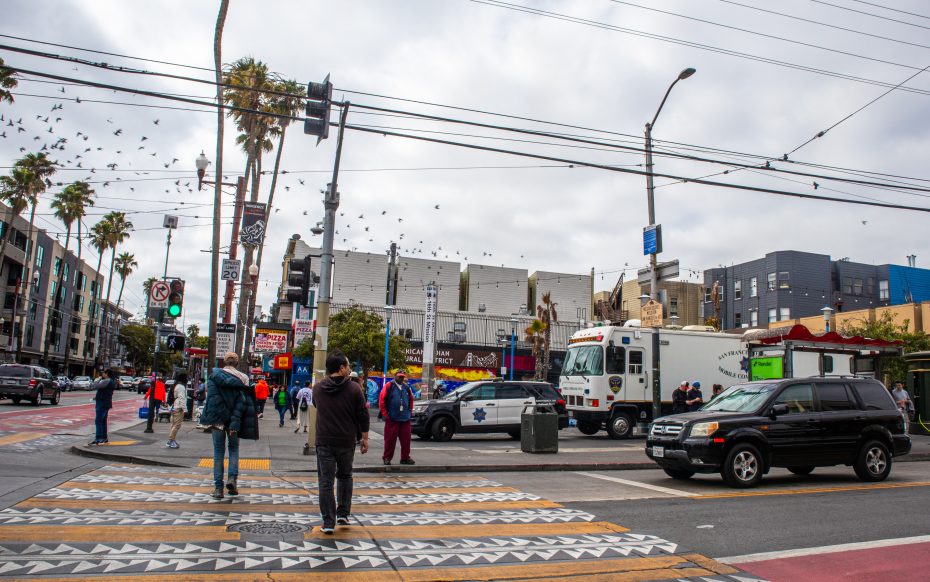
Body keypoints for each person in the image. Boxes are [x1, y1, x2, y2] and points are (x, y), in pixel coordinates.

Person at [313, 350, 370, 534]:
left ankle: (328, 522)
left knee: (326, 482)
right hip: (346, 441)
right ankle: (343, 513)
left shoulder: (318, 388)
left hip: (324, 441)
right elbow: (363, 414)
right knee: (345, 476)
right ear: (341, 368)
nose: (349, 369)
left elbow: (316, 405)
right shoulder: (354, 389)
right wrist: (365, 437)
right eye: (347, 366)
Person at [200, 352, 256, 499]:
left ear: (224, 362)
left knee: (218, 452)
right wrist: (233, 421)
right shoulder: (244, 378)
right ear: (236, 363)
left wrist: (222, 416)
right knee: (233, 449)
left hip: (218, 419)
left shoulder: (213, 377)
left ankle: (218, 489)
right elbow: (242, 402)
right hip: (235, 421)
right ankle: (232, 480)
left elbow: (212, 400)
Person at [379, 370, 416, 466]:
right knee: (390, 440)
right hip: (392, 418)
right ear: (395, 376)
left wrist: (409, 411)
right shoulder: (389, 386)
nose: (401, 378)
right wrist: (385, 414)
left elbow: (411, 400)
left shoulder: (407, 388)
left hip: (405, 418)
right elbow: (382, 400)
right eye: (399, 376)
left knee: (406, 441)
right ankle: (387, 458)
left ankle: (405, 458)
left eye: (403, 377)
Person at [89, 369, 116, 445]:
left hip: (102, 403)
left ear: (107, 374)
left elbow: (95, 385)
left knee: (98, 421)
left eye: (103, 373)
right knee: (103, 421)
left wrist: (98, 379)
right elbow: (105, 392)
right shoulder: (111, 381)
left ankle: (98, 438)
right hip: (106, 403)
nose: (102, 374)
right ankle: (104, 437)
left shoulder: (106, 381)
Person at [166, 372, 189, 449]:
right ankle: (171, 440)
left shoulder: (175, 385)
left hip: (174, 407)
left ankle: (171, 440)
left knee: (173, 425)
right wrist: (185, 410)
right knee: (177, 425)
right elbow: (182, 398)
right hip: (178, 408)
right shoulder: (181, 387)